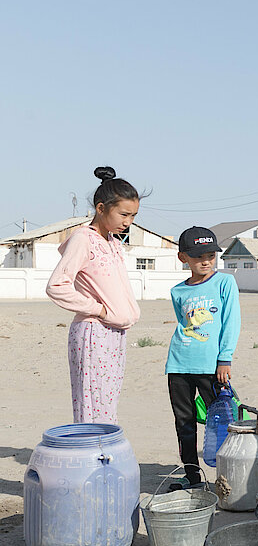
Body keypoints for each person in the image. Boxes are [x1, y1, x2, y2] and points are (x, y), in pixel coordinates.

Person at [46, 167, 143, 423]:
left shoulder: (112, 242)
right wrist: (98, 309)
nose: (128, 222)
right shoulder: (83, 239)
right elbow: (57, 286)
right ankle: (90, 457)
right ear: (101, 208)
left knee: (107, 402)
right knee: (92, 402)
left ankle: (102, 456)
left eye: (133, 216)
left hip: (115, 333)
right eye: (123, 214)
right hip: (93, 332)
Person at [165, 226, 241, 488]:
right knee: (184, 423)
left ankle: (229, 472)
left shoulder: (224, 282)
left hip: (213, 368)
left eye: (211, 255)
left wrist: (224, 359)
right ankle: (192, 476)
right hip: (178, 364)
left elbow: (232, 321)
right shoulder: (178, 291)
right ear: (183, 258)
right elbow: (183, 324)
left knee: (223, 421)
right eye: (198, 256)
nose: (206, 261)